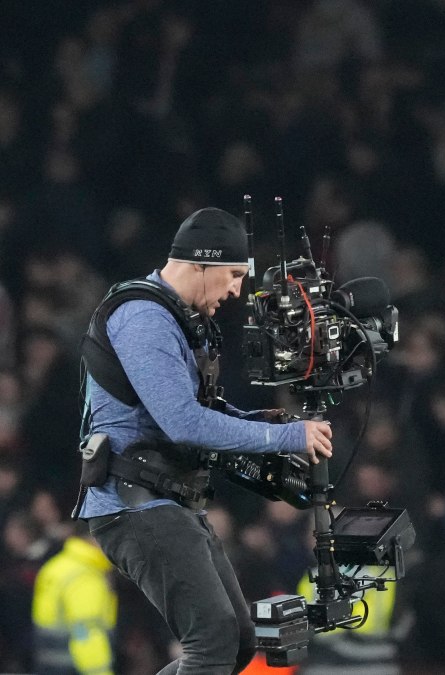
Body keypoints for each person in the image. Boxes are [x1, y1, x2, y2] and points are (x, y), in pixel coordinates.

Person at [75, 207, 334, 674]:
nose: (237, 289)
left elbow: (204, 412)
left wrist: (268, 423)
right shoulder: (143, 317)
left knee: (236, 640)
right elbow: (183, 422)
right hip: (134, 504)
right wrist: (285, 435)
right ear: (201, 263)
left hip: (169, 501)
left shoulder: (176, 318)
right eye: (233, 274)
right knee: (212, 639)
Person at [31, 526, 116, 675]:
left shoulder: (57, 566)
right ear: (94, 540)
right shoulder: (85, 576)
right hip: (76, 668)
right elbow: (86, 632)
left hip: (49, 663)